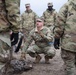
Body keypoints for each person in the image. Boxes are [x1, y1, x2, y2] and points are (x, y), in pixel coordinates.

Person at [53, 0, 76, 75]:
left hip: (69, 42)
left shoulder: (67, 5)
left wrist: (57, 37)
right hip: (69, 42)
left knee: (70, 65)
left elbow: (60, 23)